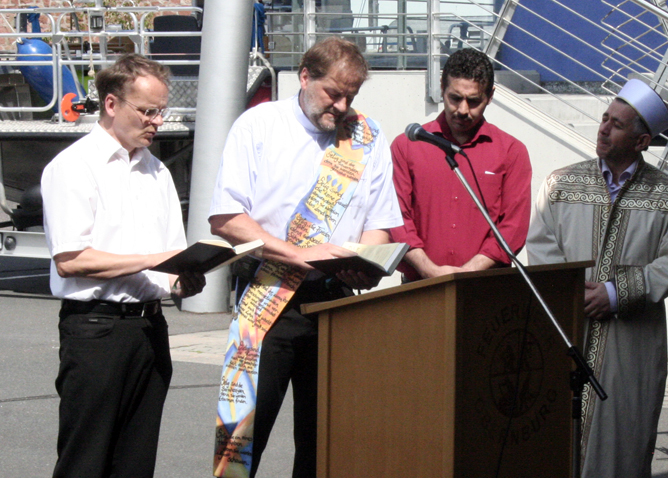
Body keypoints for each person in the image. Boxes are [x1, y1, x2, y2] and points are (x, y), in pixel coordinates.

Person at [209, 37, 402, 477]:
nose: (342, 106)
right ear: (304, 76)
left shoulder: (367, 137)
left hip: (336, 302)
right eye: (333, 93)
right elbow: (226, 218)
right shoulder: (259, 125)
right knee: (242, 440)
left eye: (351, 96)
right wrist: (298, 254)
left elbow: (380, 221)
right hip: (267, 298)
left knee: (325, 444)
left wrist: (367, 261)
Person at [41, 53, 206, 478]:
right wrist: (155, 261)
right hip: (96, 330)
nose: (158, 121)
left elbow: (170, 256)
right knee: (85, 461)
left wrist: (182, 280)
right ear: (111, 104)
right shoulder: (74, 166)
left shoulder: (157, 171)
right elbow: (71, 260)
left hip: (150, 328)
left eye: (162, 111)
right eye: (148, 111)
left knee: (135, 462)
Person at [527, 79, 668, 478]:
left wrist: (616, 295)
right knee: (555, 443)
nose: (603, 129)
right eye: (604, 118)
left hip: (633, 346)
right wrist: (575, 293)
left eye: (617, 124)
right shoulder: (560, 184)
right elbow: (541, 245)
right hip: (569, 331)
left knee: (623, 444)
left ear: (641, 141)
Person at [390, 48, 532, 281]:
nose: (463, 110)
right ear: (441, 88)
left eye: (474, 101)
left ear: (490, 96)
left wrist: (469, 271)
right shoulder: (407, 146)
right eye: (455, 98)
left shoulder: (511, 152)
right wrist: (428, 269)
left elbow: (513, 226)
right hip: (419, 286)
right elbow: (396, 218)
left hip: (484, 286)